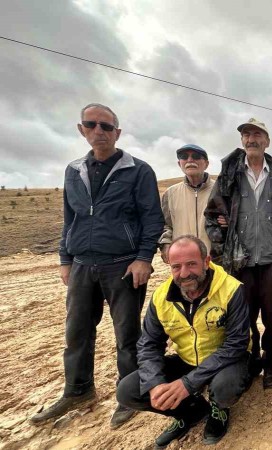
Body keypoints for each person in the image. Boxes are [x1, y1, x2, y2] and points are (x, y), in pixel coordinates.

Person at [31, 103, 163, 429]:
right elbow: (70, 219)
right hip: (81, 264)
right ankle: (78, 390)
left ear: (117, 132)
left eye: (106, 126)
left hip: (122, 265)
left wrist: (143, 258)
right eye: (91, 125)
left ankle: (130, 394)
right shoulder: (73, 170)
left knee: (127, 335)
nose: (99, 131)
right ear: (82, 130)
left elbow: (152, 219)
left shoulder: (138, 170)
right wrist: (65, 259)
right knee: (76, 332)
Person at [116, 236, 250, 448]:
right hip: (187, 359)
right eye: (176, 267)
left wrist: (188, 383)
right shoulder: (160, 297)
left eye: (191, 264)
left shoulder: (232, 289)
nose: (184, 273)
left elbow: (236, 344)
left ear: (206, 262)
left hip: (225, 361)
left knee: (226, 387)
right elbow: (149, 344)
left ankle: (219, 410)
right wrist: (154, 383)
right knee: (128, 391)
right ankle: (191, 412)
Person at [205, 117, 272, 389]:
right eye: (247, 135)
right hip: (239, 265)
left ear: (267, 141)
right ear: (242, 140)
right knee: (242, 319)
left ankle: (271, 363)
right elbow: (212, 217)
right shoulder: (229, 175)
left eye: (258, 135)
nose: (252, 139)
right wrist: (223, 253)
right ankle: (250, 361)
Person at [158, 144, 215, 263]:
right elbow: (166, 225)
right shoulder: (170, 193)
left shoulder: (220, 190)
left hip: (216, 260)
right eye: (184, 157)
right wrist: (166, 244)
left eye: (196, 156)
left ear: (206, 164)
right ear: (179, 164)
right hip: (183, 262)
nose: (190, 160)